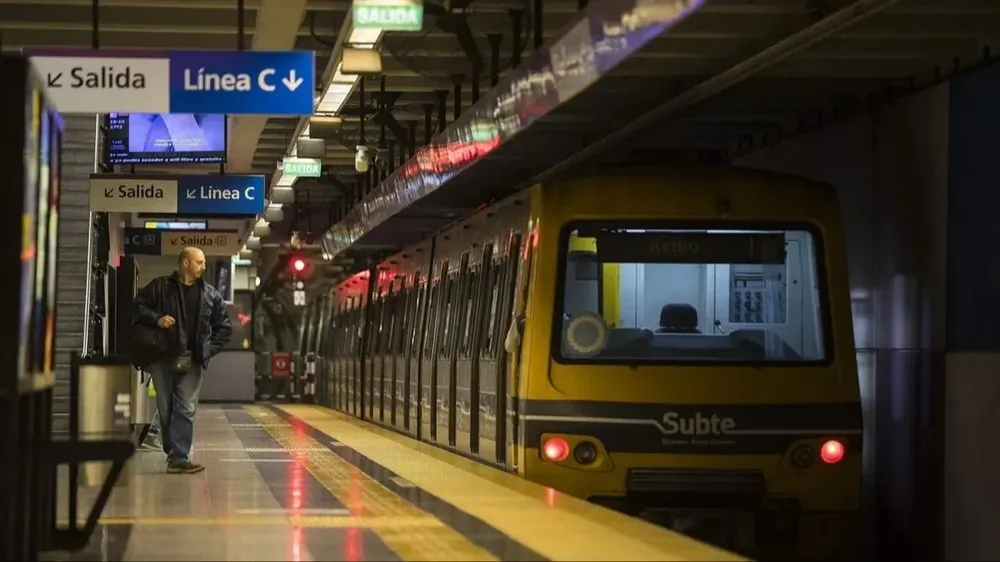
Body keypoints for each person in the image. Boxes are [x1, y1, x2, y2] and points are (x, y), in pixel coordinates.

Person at [133, 247, 232, 473]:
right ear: (185, 263)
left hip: (192, 361)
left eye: (204, 262)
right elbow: (136, 306)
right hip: (161, 358)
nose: (203, 267)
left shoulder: (210, 295)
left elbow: (224, 328)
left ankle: (178, 457)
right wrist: (157, 319)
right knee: (166, 409)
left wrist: (207, 349)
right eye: (199, 262)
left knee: (185, 408)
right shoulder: (159, 287)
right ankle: (173, 452)